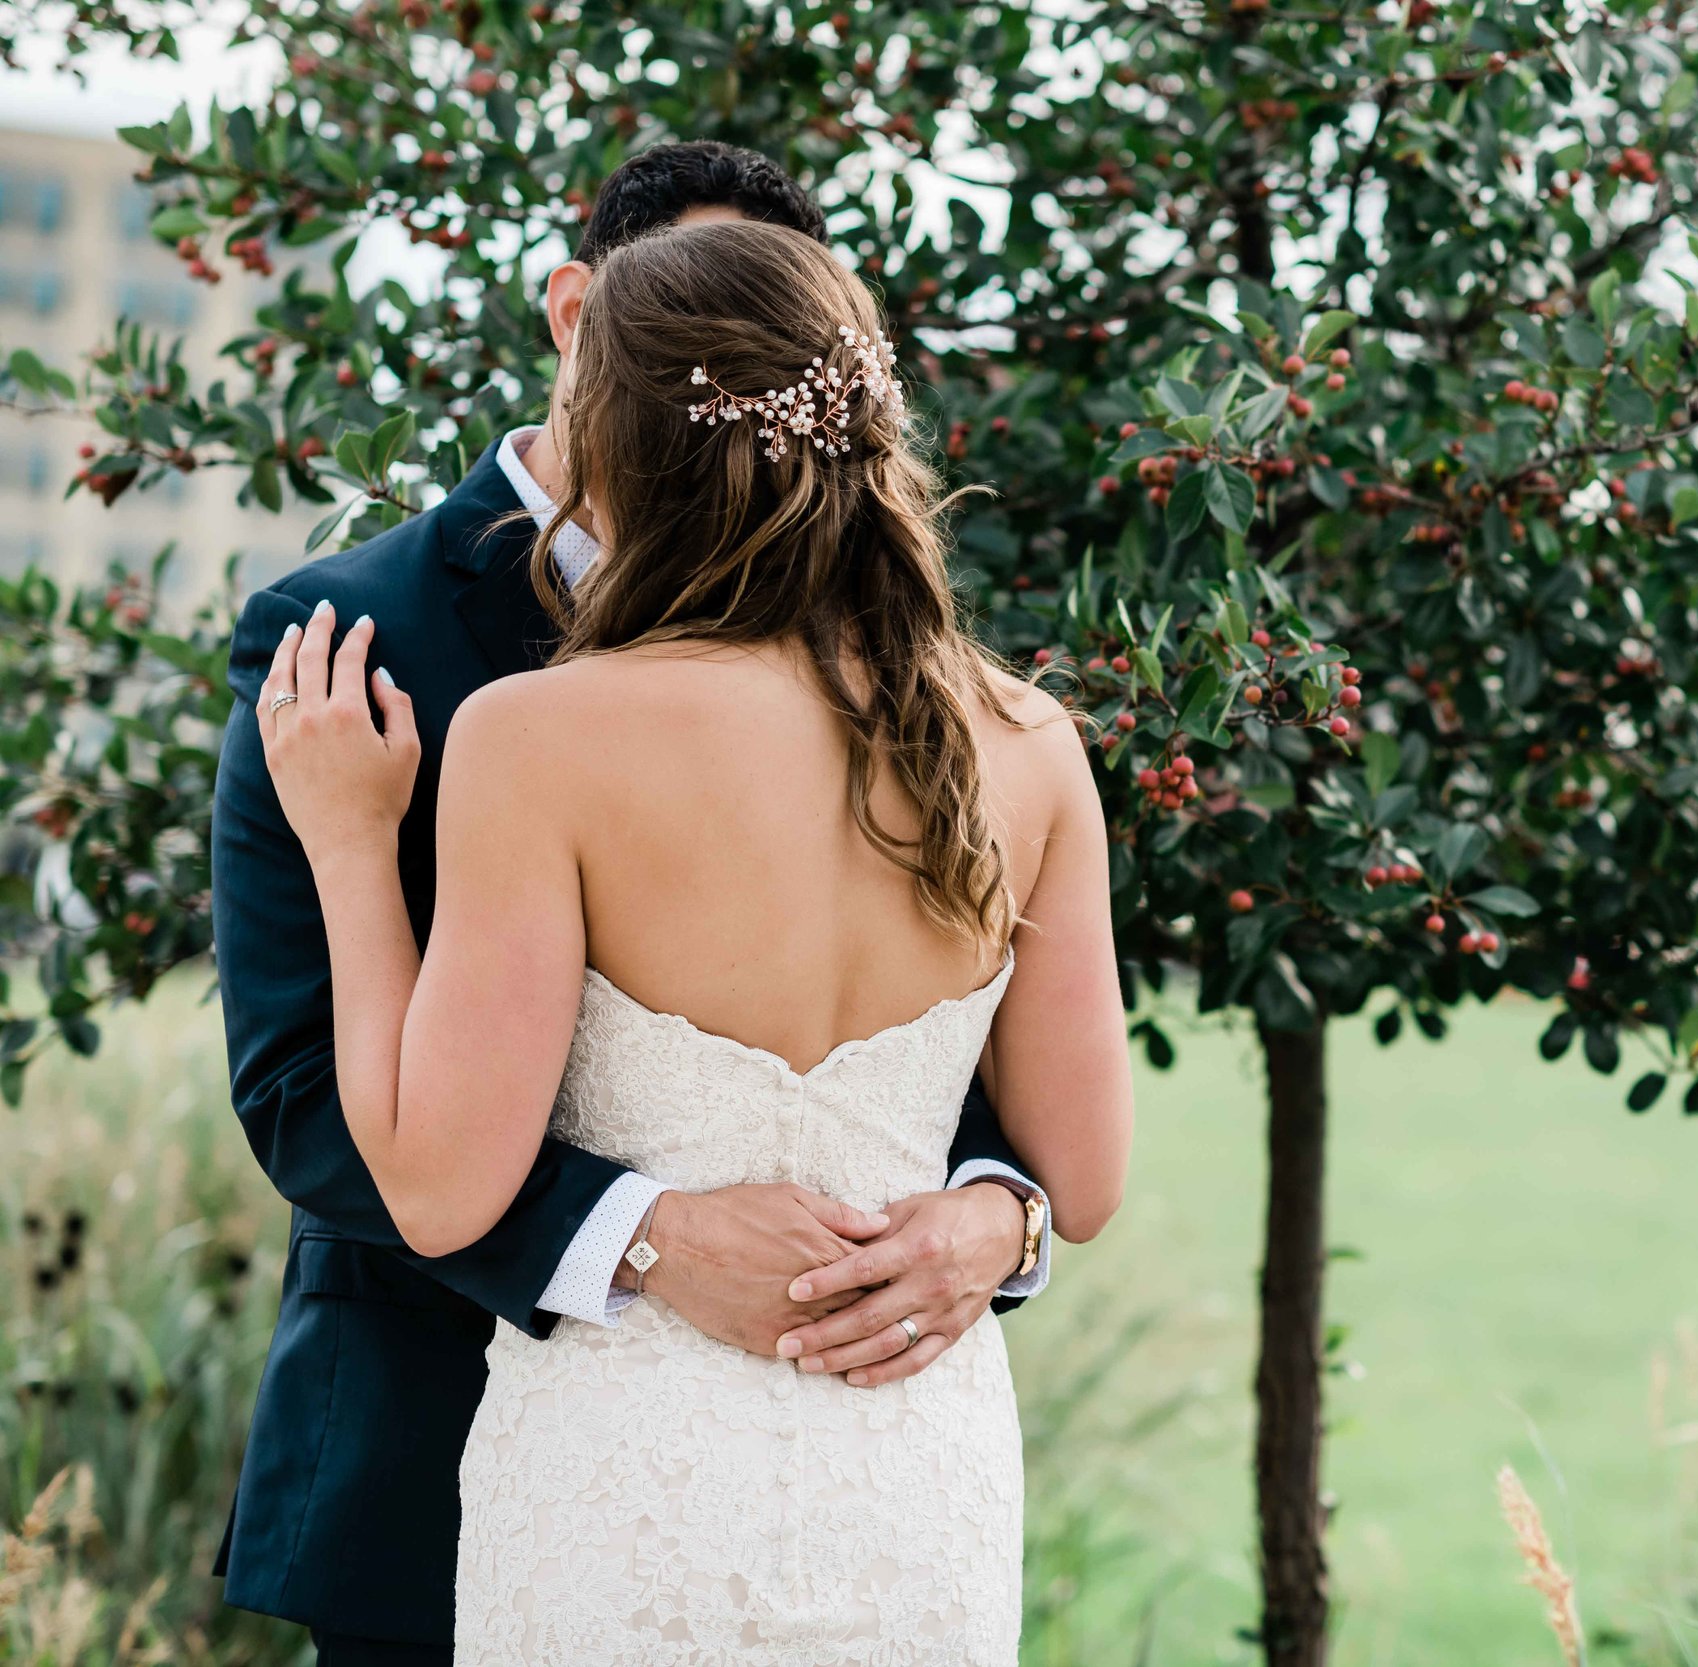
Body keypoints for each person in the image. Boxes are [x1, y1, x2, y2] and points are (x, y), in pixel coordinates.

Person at [209, 144, 1115, 1666]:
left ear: (607, 409)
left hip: (634, 1489)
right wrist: (643, 1236)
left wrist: (985, 1223)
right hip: (887, 1483)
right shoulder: (1018, 737)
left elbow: (1037, 1181)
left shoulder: (529, 736)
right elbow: (294, 1092)